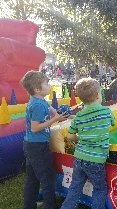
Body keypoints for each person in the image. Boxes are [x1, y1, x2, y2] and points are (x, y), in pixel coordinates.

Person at [61, 77, 115, 209]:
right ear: (98, 95)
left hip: (79, 157)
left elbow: (69, 136)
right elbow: (113, 123)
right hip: (96, 159)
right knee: (100, 188)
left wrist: (80, 139)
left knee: (75, 188)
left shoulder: (79, 116)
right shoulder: (106, 112)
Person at [20, 71, 68, 209]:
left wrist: (62, 116)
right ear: (37, 89)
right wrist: (55, 120)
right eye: (46, 83)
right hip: (38, 147)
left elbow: (53, 110)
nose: (49, 85)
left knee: (33, 179)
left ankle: (29, 205)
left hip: (31, 145)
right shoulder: (38, 105)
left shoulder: (40, 101)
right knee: (47, 178)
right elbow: (35, 128)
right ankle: (50, 206)